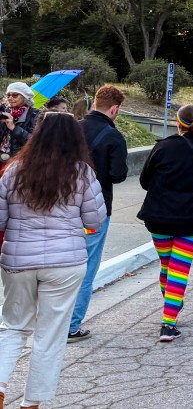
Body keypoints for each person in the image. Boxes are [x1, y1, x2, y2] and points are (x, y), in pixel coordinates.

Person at [0, 113, 104, 409]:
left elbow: (0, 219)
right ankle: (31, 403)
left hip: (18, 261)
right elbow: (94, 218)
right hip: (65, 263)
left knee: (13, 326)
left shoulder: (14, 169)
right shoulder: (81, 172)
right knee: (50, 333)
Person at [137, 104, 193, 341]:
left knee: (166, 267)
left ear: (177, 123)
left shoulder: (162, 147)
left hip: (159, 217)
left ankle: (172, 305)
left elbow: (145, 181)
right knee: (179, 269)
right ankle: (168, 323)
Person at [68, 85, 128, 342]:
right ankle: (71, 326)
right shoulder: (114, 137)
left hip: (63, 206)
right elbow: (118, 174)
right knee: (87, 264)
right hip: (96, 209)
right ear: (114, 109)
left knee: (61, 263)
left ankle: (50, 319)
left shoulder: (72, 129)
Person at [0, 82, 39, 164]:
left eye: (15, 95)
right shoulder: (6, 112)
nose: (10, 98)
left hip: (21, 162)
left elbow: (36, 142)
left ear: (25, 97)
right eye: (8, 95)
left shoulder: (35, 115)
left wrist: (14, 128)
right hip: (2, 160)